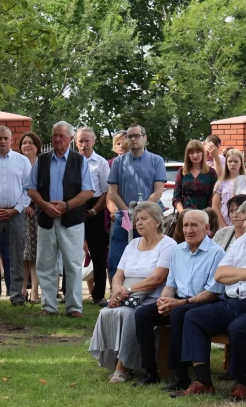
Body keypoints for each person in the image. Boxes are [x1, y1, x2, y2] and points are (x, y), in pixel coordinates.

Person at [173, 197, 246, 399]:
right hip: (232, 301)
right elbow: (220, 274)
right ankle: (203, 381)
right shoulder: (241, 240)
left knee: (239, 328)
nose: (244, 225)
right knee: (193, 317)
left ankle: (243, 382)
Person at [88, 201, 175, 383]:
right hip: (127, 295)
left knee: (129, 314)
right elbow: (118, 274)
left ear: (157, 222)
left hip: (152, 297)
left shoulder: (168, 244)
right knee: (106, 312)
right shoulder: (133, 244)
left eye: (144, 219)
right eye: (137, 220)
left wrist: (126, 290)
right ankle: (114, 361)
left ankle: (123, 367)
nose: (139, 223)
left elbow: (157, 278)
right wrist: (116, 290)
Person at [26, 122, 95, 317]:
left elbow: (88, 191)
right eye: (54, 135)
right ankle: (49, 306)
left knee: (72, 264)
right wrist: (45, 205)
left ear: (71, 139)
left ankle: (74, 307)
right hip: (46, 219)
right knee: (45, 264)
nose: (57, 139)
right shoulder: (42, 160)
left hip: (72, 221)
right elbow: (31, 189)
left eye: (61, 136)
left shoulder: (79, 161)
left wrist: (67, 205)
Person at [0, 125, 32, 306]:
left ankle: (17, 296)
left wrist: (17, 209)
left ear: (12, 140)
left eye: (5, 138)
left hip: (15, 214)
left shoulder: (22, 161)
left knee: (16, 255)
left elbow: (29, 188)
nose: (2, 141)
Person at [106, 124, 166, 280]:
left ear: (144, 138)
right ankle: (116, 290)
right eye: (130, 136)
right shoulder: (118, 162)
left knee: (150, 258)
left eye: (136, 136)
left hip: (150, 217)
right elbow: (113, 192)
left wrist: (140, 214)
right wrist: (129, 214)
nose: (133, 139)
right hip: (124, 217)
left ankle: (144, 289)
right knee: (115, 259)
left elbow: (158, 191)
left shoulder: (156, 160)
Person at [77, 127, 111, 306]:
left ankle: (98, 294)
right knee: (72, 251)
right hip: (75, 205)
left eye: (87, 141)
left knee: (98, 253)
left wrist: (95, 211)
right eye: (81, 141)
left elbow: (106, 191)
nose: (84, 144)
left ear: (94, 141)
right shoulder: (72, 161)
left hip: (95, 206)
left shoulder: (101, 162)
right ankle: (69, 292)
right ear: (76, 143)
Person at [18, 131, 43, 303]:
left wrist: (33, 202)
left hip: (39, 213)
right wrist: (24, 204)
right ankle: (22, 290)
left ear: (37, 147)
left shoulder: (42, 164)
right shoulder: (17, 163)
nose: (27, 145)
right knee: (23, 254)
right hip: (21, 212)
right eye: (24, 143)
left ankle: (34, 291)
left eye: (30, 143)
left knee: (35, 255)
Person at [173, 140, 219, 215]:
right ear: (188, 155)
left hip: (205, 214)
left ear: (203, 153)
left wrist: (207, 212)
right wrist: (182, 213)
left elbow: (214, 195)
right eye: (191, 153)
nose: (195, 155)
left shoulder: (211, 172)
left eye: (198, 152)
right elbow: (176, 197)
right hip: (185, 214)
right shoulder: (182, 172)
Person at [212, 150, 246, 227]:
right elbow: (215, 206)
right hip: (224, 222)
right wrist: (223, 226)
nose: (232, 164)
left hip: (242, 223)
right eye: (230, 161)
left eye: (236, 161)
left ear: (241, 163)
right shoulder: (221, 182)